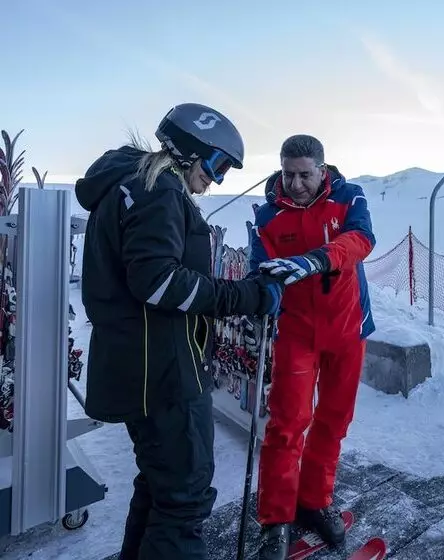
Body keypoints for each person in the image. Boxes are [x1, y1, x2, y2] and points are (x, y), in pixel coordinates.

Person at [74, 102, 284, 560]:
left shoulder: (132, 186)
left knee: (161, 486)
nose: (217, 179)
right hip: (164, 371)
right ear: (190, 149)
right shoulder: (159, 191)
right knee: (185, 496)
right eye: (218, 164)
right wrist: (246, 295)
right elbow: (159, 282)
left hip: (141, 365)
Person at [247, 134, 376, 560]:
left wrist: (317, 259)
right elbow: (260, 271)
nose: (296, 183)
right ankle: (275, 519)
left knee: (334, 420)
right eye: (289, 174)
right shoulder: (268, 215)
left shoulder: (348, 197)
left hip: (347, 328)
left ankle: (316, 500)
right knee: (287, 424)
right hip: (297, 333)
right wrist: (263, 294)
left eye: (305, 174)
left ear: (322, 170)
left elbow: (362, 239)